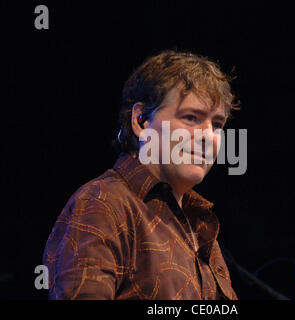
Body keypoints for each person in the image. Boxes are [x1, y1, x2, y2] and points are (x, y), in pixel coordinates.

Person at [43, 50, 240, 300]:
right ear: (141, 120)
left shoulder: (198, 222)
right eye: (191, 118)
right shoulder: (102, 204)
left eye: (217, 125)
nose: (207, 136)